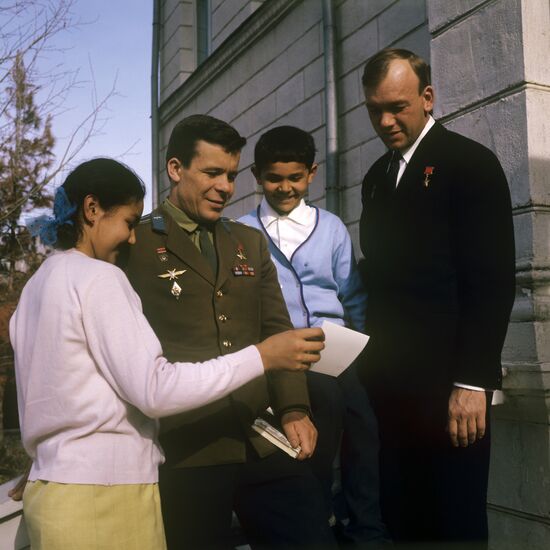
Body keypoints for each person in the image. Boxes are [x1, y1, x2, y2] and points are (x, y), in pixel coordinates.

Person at [9, 157, 325, 550]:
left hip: (54, 491)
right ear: (92, 210)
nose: (132, 238)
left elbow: (48, 400)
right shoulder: (99, 278)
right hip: (104, 495)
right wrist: (260, 357)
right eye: (128, 221)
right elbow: (156, 390)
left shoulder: (36, 287)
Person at [123, 115, 337, 549]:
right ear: (175, 169)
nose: (226, 186)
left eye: (232, 175)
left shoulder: (247, 241)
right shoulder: (136, 244)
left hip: (260, 433)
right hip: (186, 447)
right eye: (212, 173)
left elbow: (277, 327)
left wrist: (295, 407)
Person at [359, 48, 516, 547]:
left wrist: (473, 381)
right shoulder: (376, 180)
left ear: (427, 98)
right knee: (403, 516)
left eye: (397, 107)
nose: (385, 121)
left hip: (452, 387)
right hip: (390, 385)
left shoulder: (469, 163)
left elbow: (491, 280)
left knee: (454, 520)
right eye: (374, 110)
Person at [239, 125, 387, 545]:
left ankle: (366, 527)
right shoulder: (242, 232)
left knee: (363, 429)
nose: (285, 188)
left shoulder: (332, 227)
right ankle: (316, 521)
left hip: (335, 350)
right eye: (274, 178)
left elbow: (352, 294)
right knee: (312, 438)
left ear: (312, 173)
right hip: (283, 357)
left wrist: (358, 347)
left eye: (295, 177)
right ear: (257, 175)